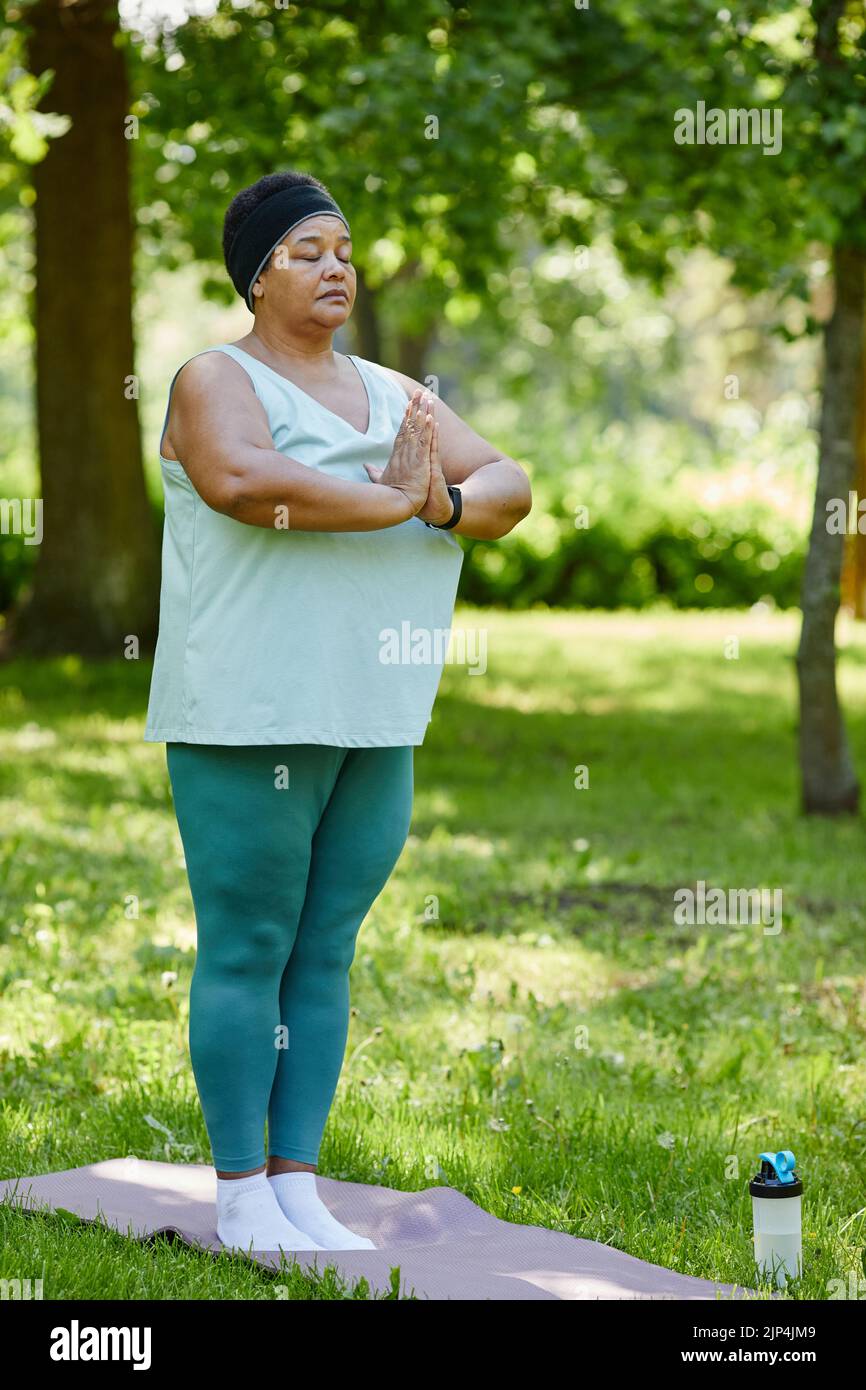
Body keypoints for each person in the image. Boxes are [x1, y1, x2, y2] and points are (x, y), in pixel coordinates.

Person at [144, 169, 531, 1255]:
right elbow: (240, 480)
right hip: (249, 711)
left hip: (375, 712)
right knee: (249, 941)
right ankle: (235, 1195)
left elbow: (508, 484)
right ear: (256, 273)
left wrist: (445, 499)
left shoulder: (394, 391)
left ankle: (294, 1184)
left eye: (345, 251)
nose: (335, 269)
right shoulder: (212, 377)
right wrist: (394, 500)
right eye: (307, 250)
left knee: (323, 952)